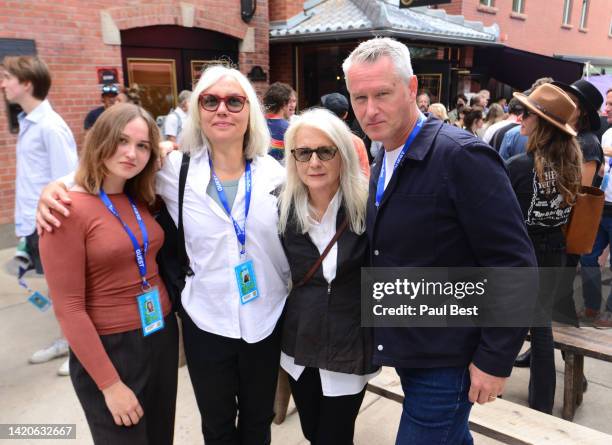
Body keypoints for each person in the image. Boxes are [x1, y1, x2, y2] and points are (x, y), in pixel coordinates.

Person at [37, 65, 291, 445]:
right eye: (210, 100)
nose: (222, 109)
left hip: (265, 319)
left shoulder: (278, 175)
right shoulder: (174, 169)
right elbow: (109, 175)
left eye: (234, 101)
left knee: (257, 423)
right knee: (217, 426)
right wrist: (57, 188)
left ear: (250, 112)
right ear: (198, 111)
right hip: (205, 320)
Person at [342, 37, 536, 445]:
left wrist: (495, 358)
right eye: (360, 97)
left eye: (383, 94)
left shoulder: (460, 156)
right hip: (414, 346)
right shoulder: (383, 154)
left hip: (449, 358)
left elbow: (513, 263)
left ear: (412, 88)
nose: (370, 110)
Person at [39, 103, 179, 444]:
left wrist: (168, 145)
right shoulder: (65, 209)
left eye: (142, 145)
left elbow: (174, 147)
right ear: (100, 139)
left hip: (159, 335)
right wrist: (110, 384)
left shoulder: (139, 196)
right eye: (121, 141)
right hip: (112, 348)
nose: (131, 153)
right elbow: (68, 308)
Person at [277, 108, 379, 445]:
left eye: (325, 151)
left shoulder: (367, 206)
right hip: (300, 342)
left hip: (349, 342)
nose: (314, 162)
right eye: (304, 152)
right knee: (312, 431)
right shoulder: (280, 207)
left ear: (343, 155)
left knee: (333, 437)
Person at [507, 83, 582, 413]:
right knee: (540, 328)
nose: (520, 118)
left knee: (506, 324)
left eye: (527, 114)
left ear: (542, 124)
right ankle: (540, 404)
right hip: (555, 253)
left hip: (523, 257)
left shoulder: (519, 167)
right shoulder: (572, 164)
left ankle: (484, 385)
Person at [1, 55, 78, 376]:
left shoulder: (50, 126)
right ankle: (66, 340)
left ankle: (78, 348)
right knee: (52, 287)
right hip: (33, 224)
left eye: (7, 77)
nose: (3, 83)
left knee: (67, 289)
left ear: (27, 83)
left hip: (52, 224)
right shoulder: (29, 124)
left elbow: (68, 180)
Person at [321, 92, 370, 176]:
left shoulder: (315, 140)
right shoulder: (356, 142)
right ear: (346, 114)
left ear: (325, 113)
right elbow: (366, 176)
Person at [263, 81, 293, 162]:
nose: (291, 106)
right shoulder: (289, 129)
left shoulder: (256, 124)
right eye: (290, 102)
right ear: (284, 104)